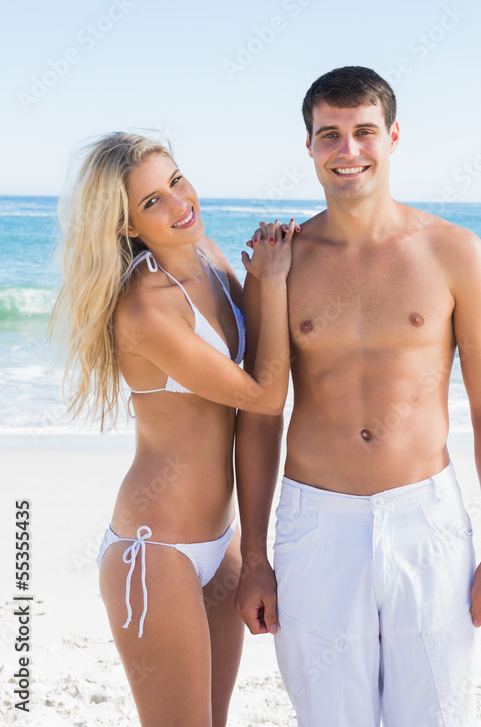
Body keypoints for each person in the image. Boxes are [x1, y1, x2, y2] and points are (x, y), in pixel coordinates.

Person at [235, 67, 481, 727]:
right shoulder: (278, 262)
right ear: (308, 146)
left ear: (392, 137)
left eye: (364, 132)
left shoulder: (454, 252)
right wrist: (254, 559)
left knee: (436, 716)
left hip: (427, 516)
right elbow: (259, 413)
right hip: (314, 521)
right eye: (329, 135)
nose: (348, 150)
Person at [49, 132, 294, 727]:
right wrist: (279, 282)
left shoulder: (207, 255)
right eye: (152, 202)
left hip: (221, 542)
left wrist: (261, 278)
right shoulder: (145, 309)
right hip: (154, 554)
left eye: (176, 181)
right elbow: (263, 393)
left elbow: (258, 352)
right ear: (128, 225)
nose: (180, 204)